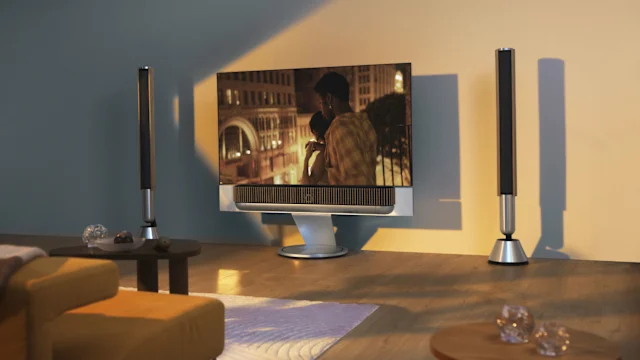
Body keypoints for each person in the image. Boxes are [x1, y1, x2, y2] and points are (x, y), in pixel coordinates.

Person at [313, 71, 377, 185]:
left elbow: (359, 181)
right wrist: (324, 148)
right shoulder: (363, 122)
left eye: (320, 103)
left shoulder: (340, 129)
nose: (321, 109)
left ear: (328, 99)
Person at [300, 111, 330, 185]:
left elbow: (306, 185)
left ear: (315, 131)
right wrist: (322, 147)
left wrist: (306, 159)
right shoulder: (333, 149)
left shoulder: (322, 157)